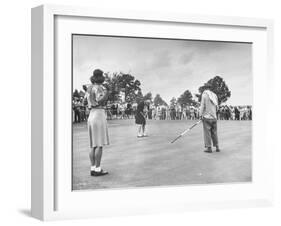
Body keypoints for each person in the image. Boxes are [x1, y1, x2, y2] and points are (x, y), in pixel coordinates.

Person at [87, 69, 110, 176]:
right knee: (99, 144)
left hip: (91, 114)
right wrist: (107, 92)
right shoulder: (99, 88)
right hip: (98, 114)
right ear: (101, 77)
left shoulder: (89, 88)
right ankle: (98, 169)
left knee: (93, 145)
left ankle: (93, 168)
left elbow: (84, 102)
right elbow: (100, 100)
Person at [199, 85, 220, 153]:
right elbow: (217, 107)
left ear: (205, 89)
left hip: (207, 117)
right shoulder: (215, 95)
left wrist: (200, 115)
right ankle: (217, 147)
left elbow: (202, 105)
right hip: (214, 117)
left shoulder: (204, 95)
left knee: (207, 133)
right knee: (214, 132)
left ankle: (209, 148)